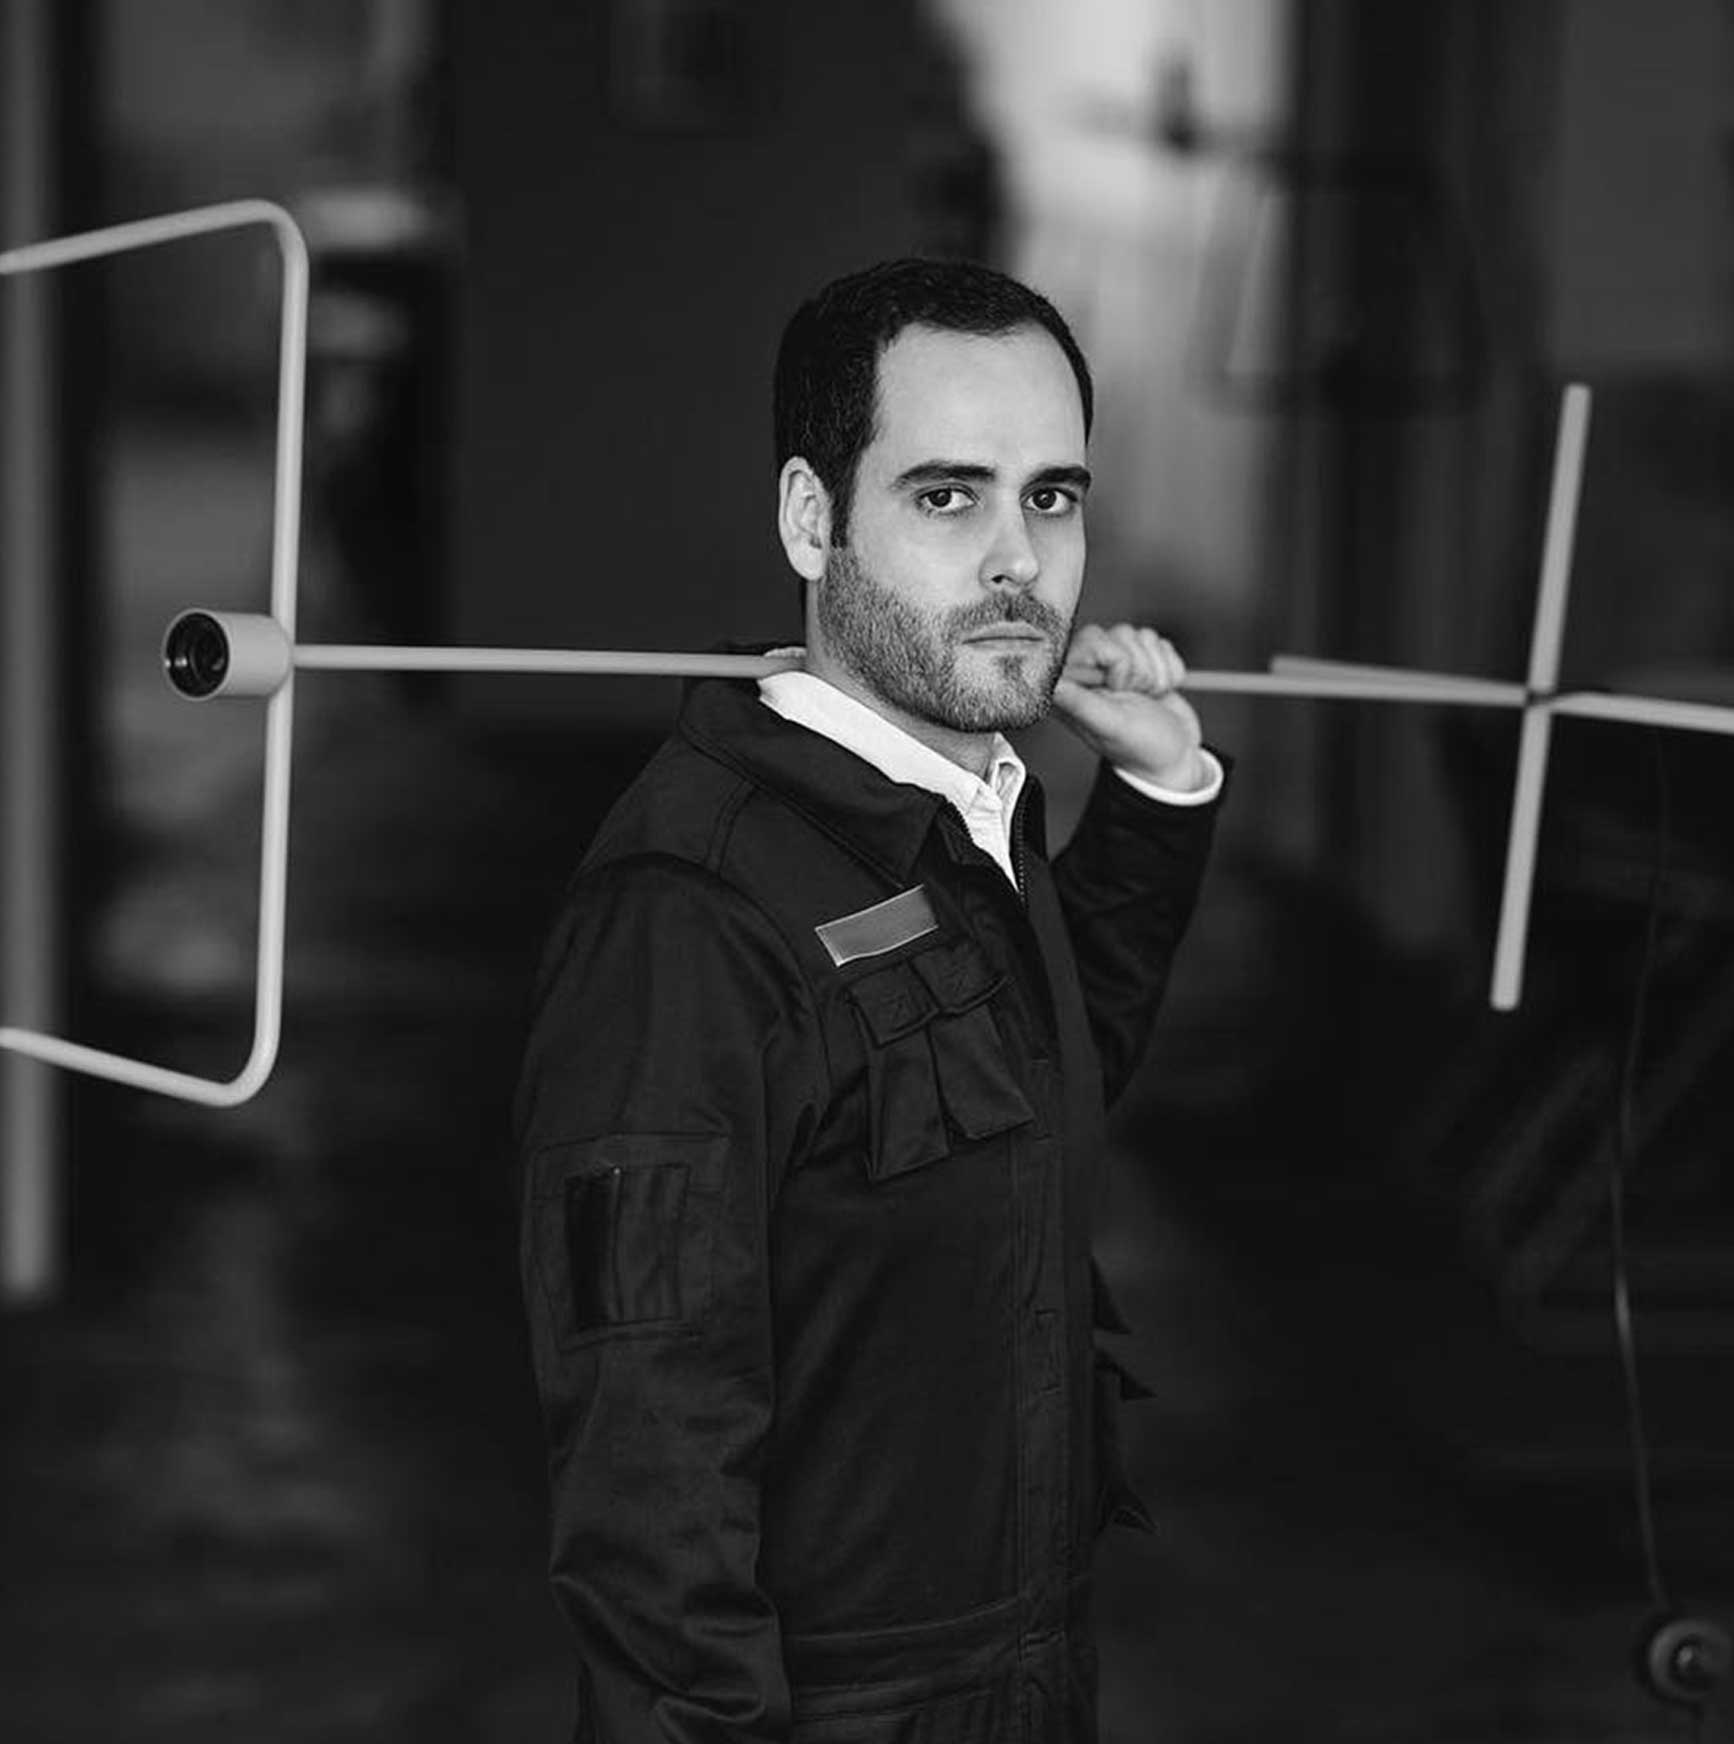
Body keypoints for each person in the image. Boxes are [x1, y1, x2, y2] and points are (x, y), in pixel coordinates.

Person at [514, 258, 1228, 1743]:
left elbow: (1038, 1094)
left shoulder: (963, 813)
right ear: (810, 517)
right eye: (948, 496)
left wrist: (1159, 791)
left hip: (1028, 1676)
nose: (1020, 562)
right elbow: (650, 1470)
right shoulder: (690, 915)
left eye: (1051, 497)